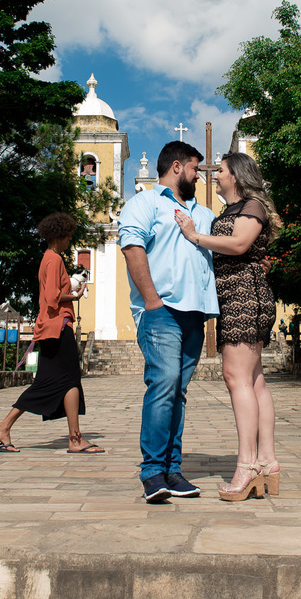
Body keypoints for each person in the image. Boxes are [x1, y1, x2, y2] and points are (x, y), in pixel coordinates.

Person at [175, 151, 282, 502]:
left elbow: (238, 244)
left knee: (236, 378)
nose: (214, 175)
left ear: (235, 175)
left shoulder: (251, 206)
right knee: (253, 380)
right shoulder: (235, 210)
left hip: (244, 299)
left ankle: (246, 465)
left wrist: (194, 236)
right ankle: (266, 461)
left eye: (219, 170)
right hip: (239, 296)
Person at [118, 140, 219, 503]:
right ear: (177, 167)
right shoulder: (144, 203)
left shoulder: (204, 214)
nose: (198, 174)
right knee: (164, 384)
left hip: (196, 313)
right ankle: (152, 472)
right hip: (160, 312)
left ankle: (173, 470)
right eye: (194, 168)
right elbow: (132, 248)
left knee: (178, 391)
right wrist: (152, 302)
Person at [0, 213, 104, 454]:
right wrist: (75, 296)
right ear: (59, 235)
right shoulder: (54, 260)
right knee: (68, 379)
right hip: (58, 327)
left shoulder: (48, 259)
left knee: (54, 381)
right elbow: (53, 298)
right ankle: (74, 438)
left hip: (51, 327)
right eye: (69, 236)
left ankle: (5, 428)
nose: (70, 240)